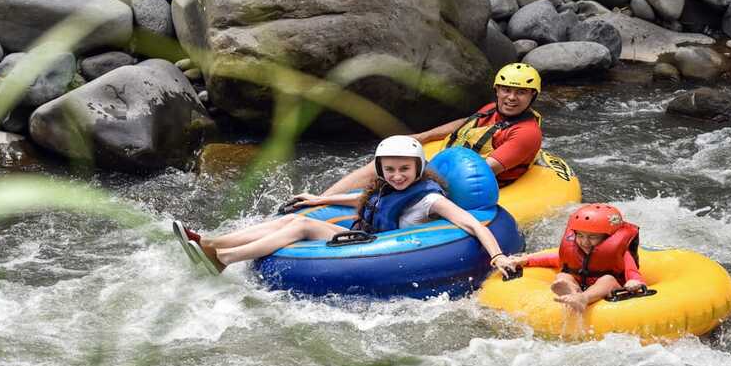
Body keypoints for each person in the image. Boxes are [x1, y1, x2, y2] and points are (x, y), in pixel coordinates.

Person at [172, 135, 515, 276]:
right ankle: (210, 243)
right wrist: (321, 199)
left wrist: (497, 255)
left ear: (418, 169)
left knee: (299, 226)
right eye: (390, 169)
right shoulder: (387, 185)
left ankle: (225, 259)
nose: (397, 176)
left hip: (377, 244)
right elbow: (362, 199)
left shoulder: (430, 198)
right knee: (285, 222)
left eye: (404, 170)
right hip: (361, 231)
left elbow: (470, 223)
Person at [321, 63, 543, 196]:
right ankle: (320, 199)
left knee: (394, 170)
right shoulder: (492, 109)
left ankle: (332, 202)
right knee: (390, 161)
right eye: (506, 90)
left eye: (521, 92)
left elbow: (481, 172)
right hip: (456, 162)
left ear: (532, 95)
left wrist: (414, 175)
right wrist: (422, 136)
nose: (511, 98)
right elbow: (468, 121)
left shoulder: (526, 133)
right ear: (497, 90)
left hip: (473, 184)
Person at [504, 204, 645, 313]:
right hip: (580, 283)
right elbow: (553, 259)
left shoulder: (619, 253)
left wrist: (634, 281)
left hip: (609, 285)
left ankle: (583, 299)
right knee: (563, 274)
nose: (585, 242)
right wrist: (526, 260)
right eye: (580, 236)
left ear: (609, 237)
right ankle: (571, 292)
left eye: (592, 237)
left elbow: (632, 271)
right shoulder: (573, 250)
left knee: (607, 279)